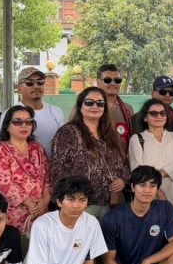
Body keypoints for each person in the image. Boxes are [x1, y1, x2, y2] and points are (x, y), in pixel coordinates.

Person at [50, 86, 129, 219]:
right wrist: (68, 201)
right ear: (80, 106)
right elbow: (57, 170)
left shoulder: (111, 134)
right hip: (81, 205)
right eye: (89, 102)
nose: (95, 106)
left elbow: (125, 163)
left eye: (100, 103)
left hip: (110, 204)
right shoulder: (68, 132)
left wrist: (123, 180)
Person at [0, 105, 51, 234]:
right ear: (7, 126)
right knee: (18, 245)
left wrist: (45, 200)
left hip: (42, 211)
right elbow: (3, 182)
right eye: (17, 121)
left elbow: (48, 176)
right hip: (14, 213)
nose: (24, 125)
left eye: (28, 122)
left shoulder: (37, 147)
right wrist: (30, 204)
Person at [129, 99, 173, 207]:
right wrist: (159, 192)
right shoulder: (137, 139)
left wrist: (158, 174)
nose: (159, 116)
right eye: (153, 113)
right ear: (145, 117)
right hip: (148, 196)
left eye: (162, 113)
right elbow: (138, 170)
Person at [0, 67, 65, 156]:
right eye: (29, 82)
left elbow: (63, 142)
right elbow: (3, 146)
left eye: (40, 82)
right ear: (19, 88)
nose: (36, 86)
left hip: (54, 164)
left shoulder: (56, 111)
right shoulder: (9, 114)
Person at [97, 63, 135, 143]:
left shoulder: (127, 109)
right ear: (98, 82)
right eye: (108, 80)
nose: (113, 84)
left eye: (117, 80)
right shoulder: (88, 106)